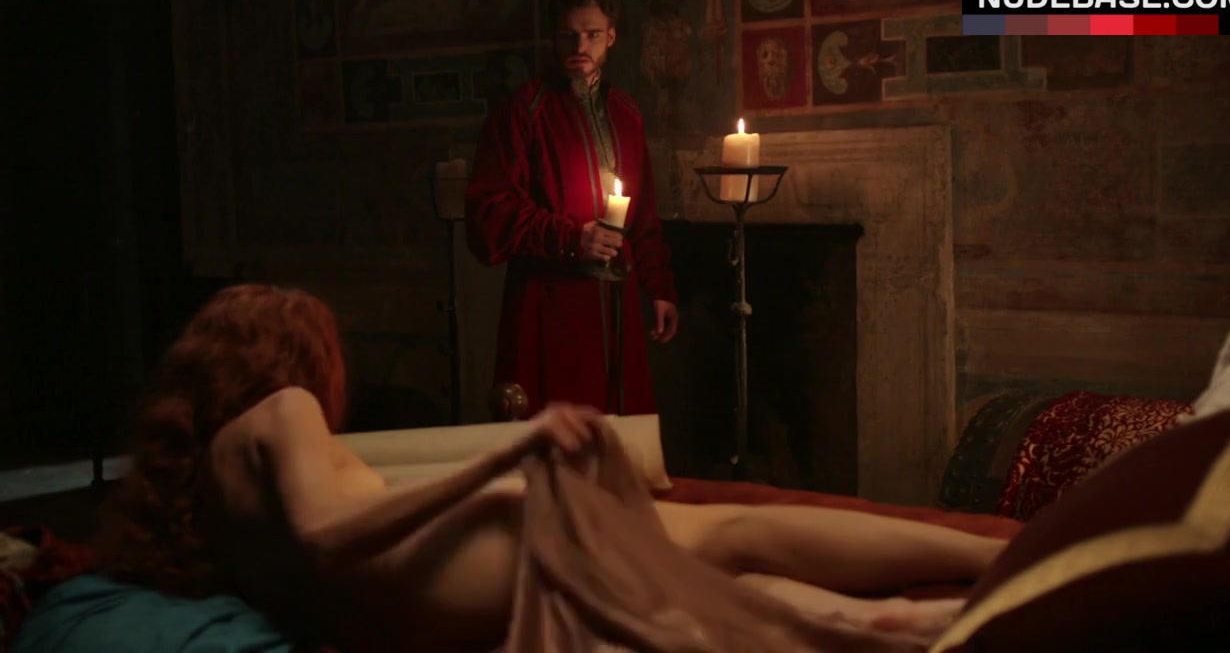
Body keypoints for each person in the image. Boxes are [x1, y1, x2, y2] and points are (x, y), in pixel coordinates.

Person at [83, 284, 1004, 652]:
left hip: (433, 604)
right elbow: (329, 533)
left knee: (726, 585)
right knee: (732, 534)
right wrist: (514, 449)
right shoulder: (282, 408)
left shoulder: (211, 496)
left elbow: (318, 551)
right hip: (486, 561)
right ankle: (997, 562)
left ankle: (924, 620)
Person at [466, 0, 678, 419]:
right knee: (557, 440)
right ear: (554, 37)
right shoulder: (523, 112)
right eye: (569, 35)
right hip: (549, 306)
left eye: (592, 34)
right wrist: (570, 238)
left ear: (611, 36)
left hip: (618, 306)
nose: (580, 46)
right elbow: (488, 213)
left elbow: (643, 215)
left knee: (618, 436)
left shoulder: (627, 114)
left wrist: (659, 288)